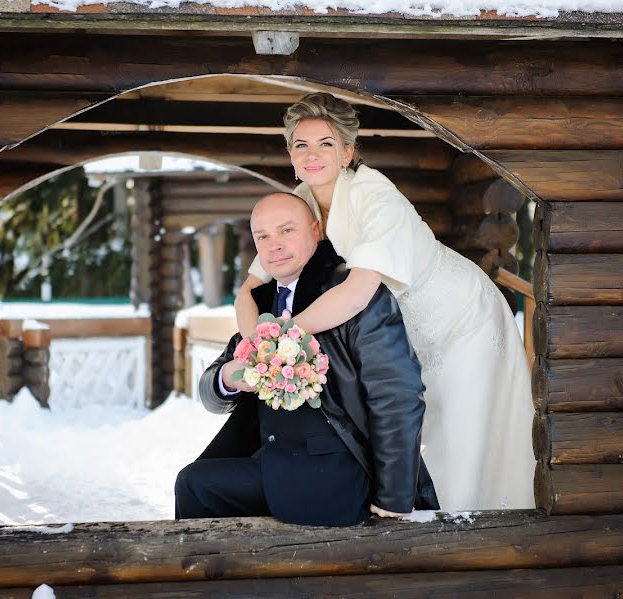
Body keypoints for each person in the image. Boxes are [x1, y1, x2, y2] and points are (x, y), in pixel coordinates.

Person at [235, 92, 535, 510]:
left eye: (326, 143)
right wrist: (260, 350)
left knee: (463, 439)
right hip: (410, 332)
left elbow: (359, 293)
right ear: (290, 154)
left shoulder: (376, 196)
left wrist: (285, 338)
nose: (313, 154)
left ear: (348, 151)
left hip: (465, 319)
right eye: (301, 145)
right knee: (417, 428)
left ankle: (467, 537)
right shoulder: (299, 203)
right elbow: (248, 290)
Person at [175, 192, 438, 526]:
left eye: (286, 231)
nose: (274, 245)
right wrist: (227, 377)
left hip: (336, 473)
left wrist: (394, 498)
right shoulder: (259, 303)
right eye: (263, 236)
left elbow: (397, 394)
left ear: (316, 231)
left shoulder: (354, 293)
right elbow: (210, 394)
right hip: (273, 460)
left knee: (196, 487)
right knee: (194, 483)